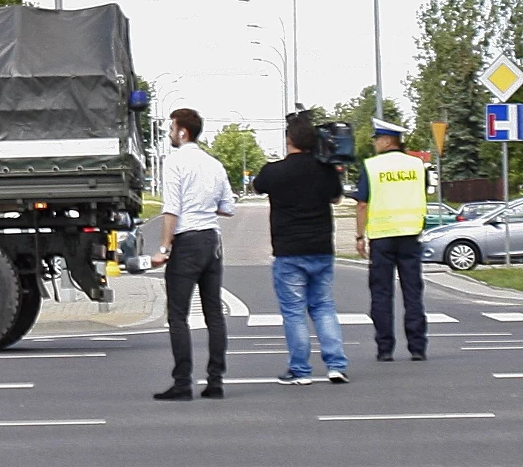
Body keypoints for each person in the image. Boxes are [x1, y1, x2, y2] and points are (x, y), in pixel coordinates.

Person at [252, 115, 349, 385]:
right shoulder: (326, 169)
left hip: (288, 251)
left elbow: (256, 186)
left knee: (294, 311)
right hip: (321, 247)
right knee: (323, 306)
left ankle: (301, 370)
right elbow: (336, 197)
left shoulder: (274, 171)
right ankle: (336, 365)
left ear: (289, 140)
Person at [151, 108, 235, 401]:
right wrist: (203, 207)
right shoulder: (214, 164)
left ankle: (183, 382)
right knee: (214, 314)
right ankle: (215, 381)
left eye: (172, 128)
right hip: (212, 241)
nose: (170, 134)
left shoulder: (175, 162)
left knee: (178, 314)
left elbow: (171, 208)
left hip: (187, 242)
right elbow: (228, 206)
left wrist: (163, 248)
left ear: (182, 131)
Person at [354, 118, 428, 362]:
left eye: (377, 139)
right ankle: (417, 347)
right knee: (413, 292)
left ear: (388, 141)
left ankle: (385, 348)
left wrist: (359, 235)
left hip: (382, 237)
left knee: (382, 294)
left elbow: (362, 203)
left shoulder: (371, 166)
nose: (374, 143)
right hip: (410, 235)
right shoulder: (417, 165)